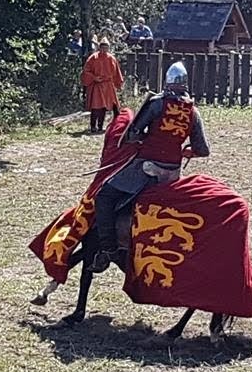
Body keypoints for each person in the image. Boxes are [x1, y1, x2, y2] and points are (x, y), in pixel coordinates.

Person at [90, 61, 210, 272]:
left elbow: (133, 134)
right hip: (172, 174)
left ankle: (108, 250)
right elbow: (203, 149)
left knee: (104, 197)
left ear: (167, 82)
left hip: (146, 168)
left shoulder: (157, 104)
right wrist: (185, 150)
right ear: (185, 85)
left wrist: (150, 139)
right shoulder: (193, 112)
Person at [82, 36, 123, 133]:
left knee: (105, 107)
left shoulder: (112, 58)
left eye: (106, 47)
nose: (104, 50)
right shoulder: (93, 58)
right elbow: (86, 71)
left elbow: (117, 72)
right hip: (97, 85)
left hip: (108, 86)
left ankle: (100, 126)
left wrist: (118, 83)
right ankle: (93, 126)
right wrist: (94, 78)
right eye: (102, 47)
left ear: (108, 48)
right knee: (96, 106)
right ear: (99, 47)